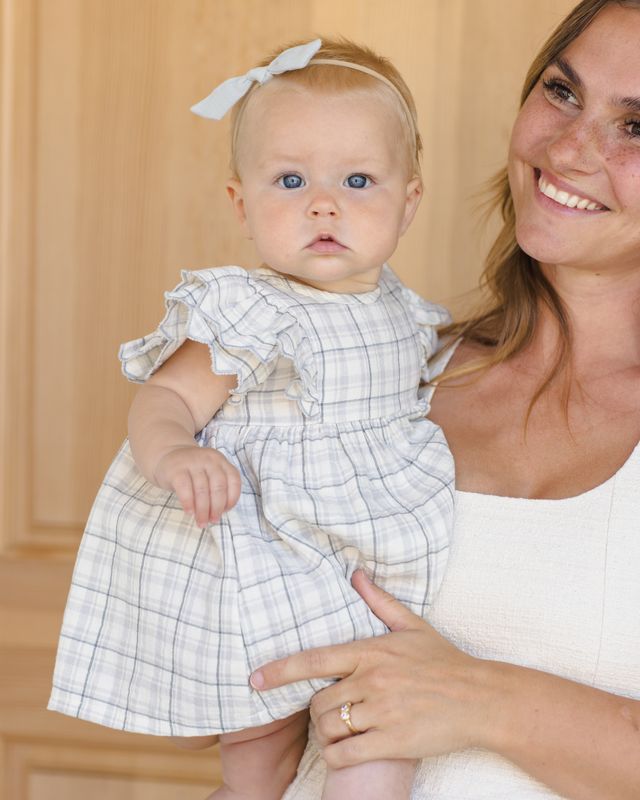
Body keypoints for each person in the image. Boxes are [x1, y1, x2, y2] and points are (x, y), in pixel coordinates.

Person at [248, 1, 640, 798]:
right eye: (562, 93)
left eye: (638, 127)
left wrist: (477, 700)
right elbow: (238, 700)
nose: (567, 148)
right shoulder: (395, 374)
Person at [47, 38, 455, 800]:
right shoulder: (247, 308)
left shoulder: (408, 315)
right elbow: (164, 401)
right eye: (290, 180)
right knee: (260, 755)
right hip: (269, 560)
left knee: (379, 738)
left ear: (410, 201)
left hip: (366, 566)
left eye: (358, 180)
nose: (323, 204)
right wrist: (176, 456)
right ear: (241, 203)